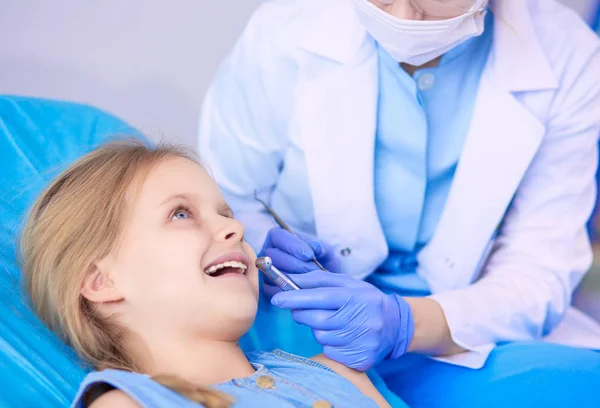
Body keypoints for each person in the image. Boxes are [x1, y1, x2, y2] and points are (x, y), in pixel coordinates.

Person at [198, 0, 600, 406]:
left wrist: (404, 324)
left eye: (429, 3)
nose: (403, 18)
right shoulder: (285, 27)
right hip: (298, 319)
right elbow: (229, 194)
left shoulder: (568, 55)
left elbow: (538, 271)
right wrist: (265, 247)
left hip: (465, 327)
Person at [19, 140, 392, 408]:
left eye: (226, 214)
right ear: (102, 281)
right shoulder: (128, 404)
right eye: (181, 214)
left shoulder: (338, 373)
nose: (237, 229)